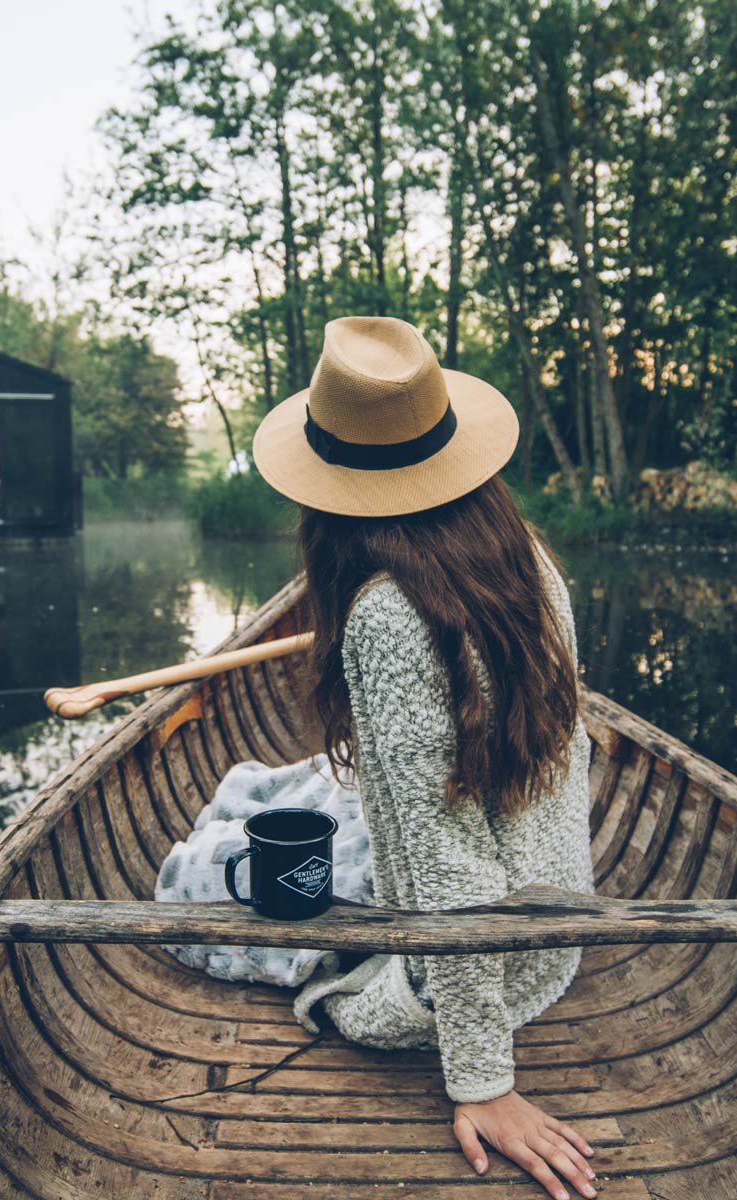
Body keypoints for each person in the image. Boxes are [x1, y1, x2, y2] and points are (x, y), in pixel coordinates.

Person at [249, 315, 601, 1200]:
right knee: (299, 802)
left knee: (218, 863)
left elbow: (448, 864)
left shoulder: (387, 616)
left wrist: (486, 1081)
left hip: (464, 977)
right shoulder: (530, 563)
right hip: (556, 934)